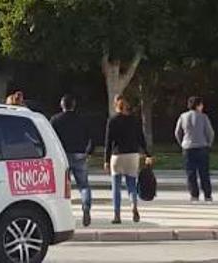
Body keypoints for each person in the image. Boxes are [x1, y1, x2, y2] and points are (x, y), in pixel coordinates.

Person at [104, 94, 153, 224]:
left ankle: (117, 215)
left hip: (117, 156)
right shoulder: (135, 120)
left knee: (116, 187)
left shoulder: (112, 120)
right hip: (132, 156)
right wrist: (148, 154)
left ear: (116, 107)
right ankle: (133, 205)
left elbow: (108, 142)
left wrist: (106, 161)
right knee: (131, 185)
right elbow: (141, 139)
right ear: (127, 107)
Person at [50, 93, 94, 226]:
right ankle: (86, 207)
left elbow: (51, 138)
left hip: (62, 155)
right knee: (84, 185)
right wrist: (89, 151)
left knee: (62, 186)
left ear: (61, 105)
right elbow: (90, 136)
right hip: (79, 153)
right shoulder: (82, 120)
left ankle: (63, 214)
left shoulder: (55, 120)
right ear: (74, 105)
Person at [175, 95, 216, 203]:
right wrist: (209, 143)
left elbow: (177, 132)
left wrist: (182, 143)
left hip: (188, 147)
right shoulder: (203, 117)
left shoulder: (183, 117)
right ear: (198, 105)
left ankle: (194, 195)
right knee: (204, 173)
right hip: (202, 147)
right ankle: (207, 195)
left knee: (191, 173)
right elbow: (210, 132)